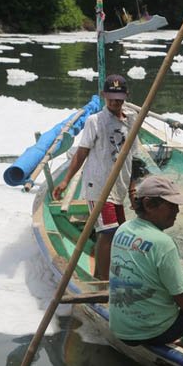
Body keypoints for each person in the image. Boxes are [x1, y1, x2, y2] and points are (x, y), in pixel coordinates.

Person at [108, 176, 183, 357]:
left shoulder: (123, 228)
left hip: (121, 329)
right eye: (171, 206)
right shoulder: (163, 243)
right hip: (155, 332)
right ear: (149, 205)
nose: (177, 211)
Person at [52, 74, 141, 280]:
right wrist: (65, 180)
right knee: (108, 232)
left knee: (120, 235)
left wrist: (131, 186)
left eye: (119, 97)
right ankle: (102, 281)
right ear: (103, 95)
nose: (115, 101)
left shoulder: (131, 121)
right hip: (98, 187)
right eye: (111, 97)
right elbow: (81, 153)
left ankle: (106, 273)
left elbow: (132, 157)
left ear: (126, 95)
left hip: (119, 186)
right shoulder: (95, 121)